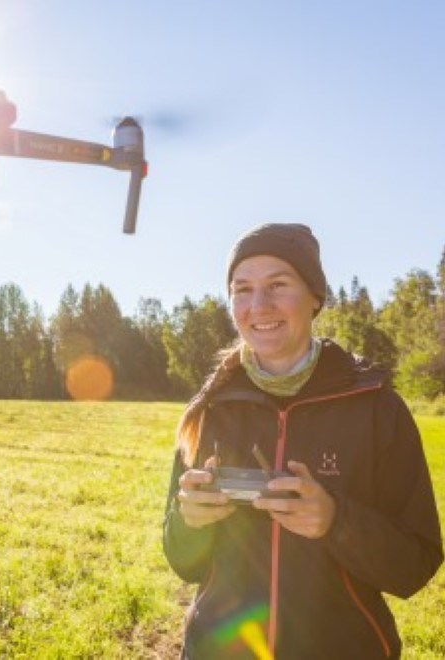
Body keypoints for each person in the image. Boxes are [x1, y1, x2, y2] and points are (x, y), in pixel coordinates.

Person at [162, 223, 442, 659]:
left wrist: (335, 520)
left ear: (314, 297)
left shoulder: (376, 408)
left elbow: (416, 565)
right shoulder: (211, 408)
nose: (259, 305)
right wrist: (190, 522)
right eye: (243, 289)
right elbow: (183, 561)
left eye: (278, 285)